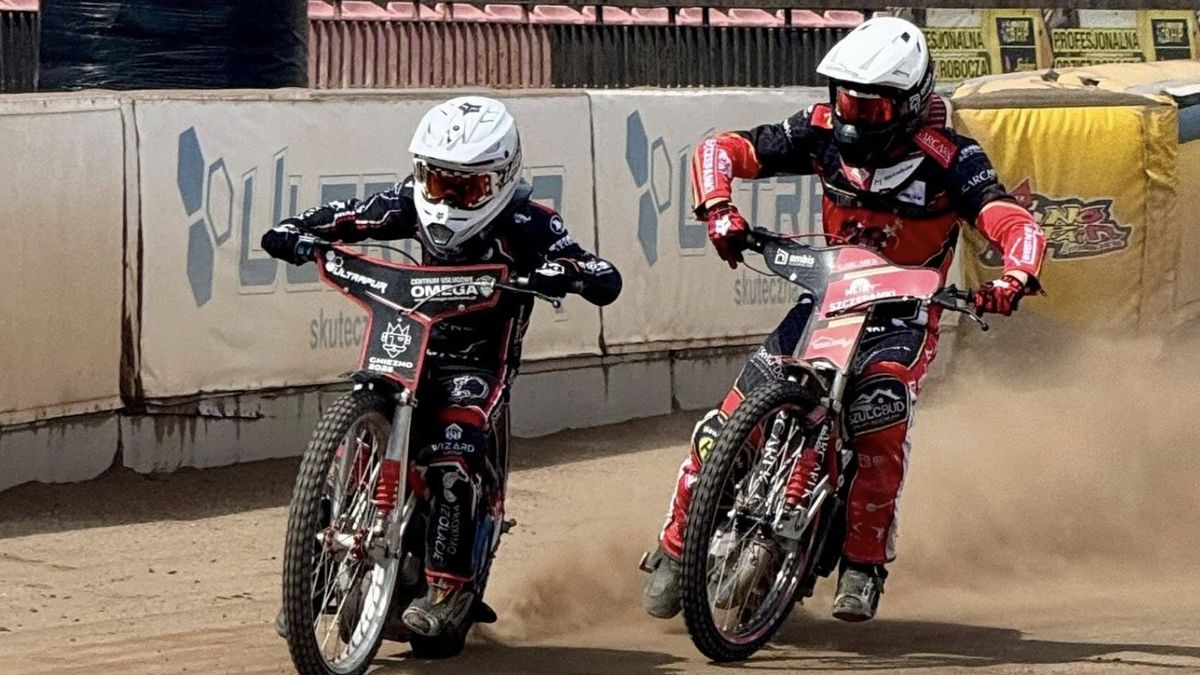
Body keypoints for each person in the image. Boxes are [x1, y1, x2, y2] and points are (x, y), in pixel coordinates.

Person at [641, 17, 1046, 623]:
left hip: (905, 315)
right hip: (827, 299)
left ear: (910, 104)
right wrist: (719, 207)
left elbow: (1010, 220)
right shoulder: (820, 129)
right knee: (725, 424)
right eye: (847, 101)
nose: (854, 119)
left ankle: (862, 564)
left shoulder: (952, 158)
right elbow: (720, 149)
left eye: (872, 107)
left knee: (878, 418)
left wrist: (1014, 276)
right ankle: (676, 548)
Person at [263, 96, 622, 638]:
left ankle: (448, 590)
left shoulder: (530, 221)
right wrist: (295, 230)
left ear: (501, 178)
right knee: (344, 459)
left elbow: (601, 273)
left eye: (465, 188)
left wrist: (564, 273)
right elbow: (352, 215)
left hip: (477, 363)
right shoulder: (408, 201)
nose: (447, 198)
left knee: (452, 460)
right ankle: (308, 585)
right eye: (436, 182)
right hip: (407, 345)